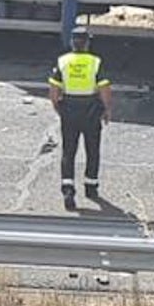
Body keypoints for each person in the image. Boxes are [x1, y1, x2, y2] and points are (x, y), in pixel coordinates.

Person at [48, 20, 113, 211]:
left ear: (72, 42)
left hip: (69, 108)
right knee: (92, 150)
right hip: (91, 110)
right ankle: (91, 187)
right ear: (87, 43)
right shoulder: (95, 62)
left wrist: (58, 107)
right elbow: (105, 89)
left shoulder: (63, 62)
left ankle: (68, 190)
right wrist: (107, 109)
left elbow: (53, 89)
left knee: (69, 151)